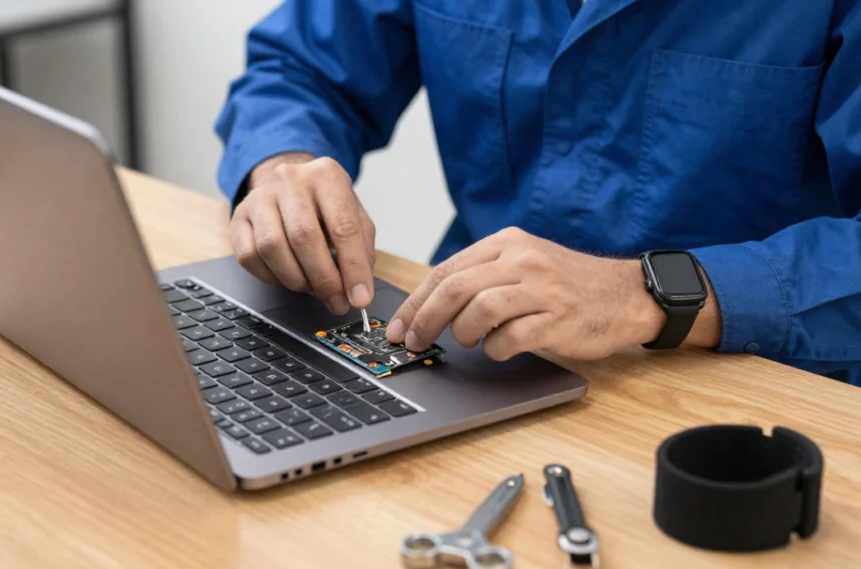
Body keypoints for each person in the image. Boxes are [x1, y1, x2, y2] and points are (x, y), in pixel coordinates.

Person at [214, 0, 861, 386]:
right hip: (470, 360)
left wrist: (652, 295)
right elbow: (299, 69)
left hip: (757, 399)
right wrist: (280, 169)